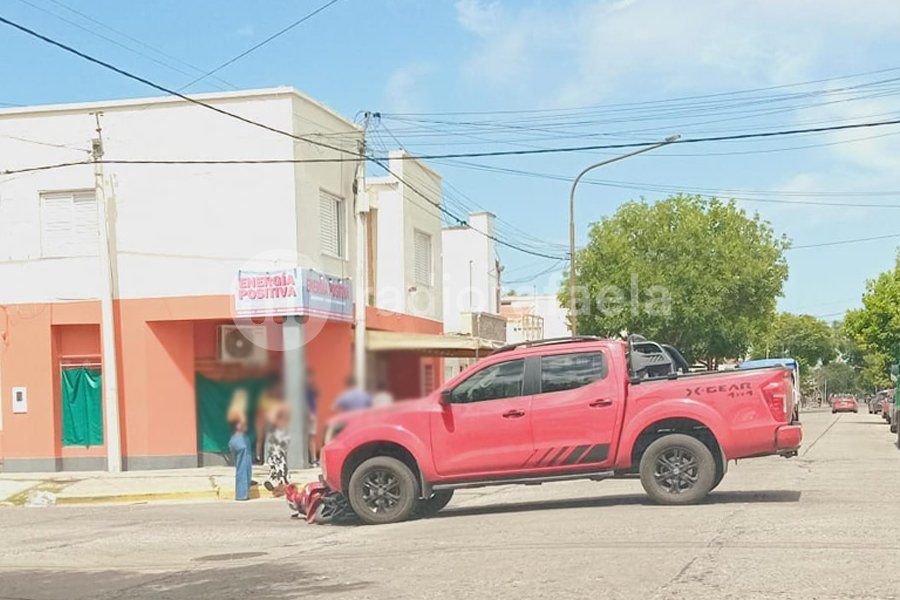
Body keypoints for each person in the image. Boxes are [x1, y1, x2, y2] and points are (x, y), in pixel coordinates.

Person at [227, 390, 253, 501]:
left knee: (239, 468)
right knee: (245, 467)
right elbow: (242, 426)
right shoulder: (239, 411)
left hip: (233, 440)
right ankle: (243, 494)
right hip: (241, 439)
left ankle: (240, 493)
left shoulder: (231, 411)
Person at [306, 369, 320, 466]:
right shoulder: (304, 390)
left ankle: (313, 458)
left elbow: (317, 394)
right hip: (309, 415)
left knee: (312, 437)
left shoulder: (310, 388)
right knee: (311, 437)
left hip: (312, 413)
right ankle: (313, 459)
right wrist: (309, 413)